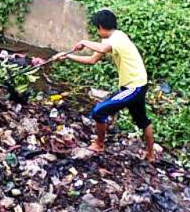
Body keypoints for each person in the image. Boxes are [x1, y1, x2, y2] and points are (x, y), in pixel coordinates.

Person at [54, 9, 155, 162]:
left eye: (97, 28)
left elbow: (101, 49)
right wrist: (67, 56)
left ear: (101, 27)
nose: (97, 31)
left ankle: (99, 144)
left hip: (134, 87)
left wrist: (83, 42)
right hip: (136, 84)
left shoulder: (117, 38)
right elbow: (92, 60)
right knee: (142, 121)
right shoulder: (111, 39)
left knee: (99, 111)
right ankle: (150, 155)